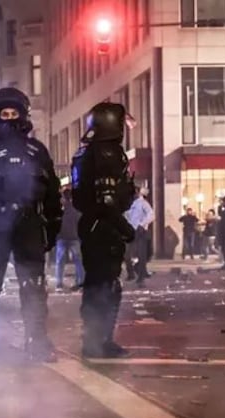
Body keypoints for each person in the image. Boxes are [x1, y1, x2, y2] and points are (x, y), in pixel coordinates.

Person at [0, 86, 62, 362]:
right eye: (3, 114)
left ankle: (36, 341)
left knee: (33, 284)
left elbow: (52, 191)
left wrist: (52, 225)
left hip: (28, 222)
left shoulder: (36, 150)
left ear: (23, 115)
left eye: (13, 113)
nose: (8, 119)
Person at [71, 101, 137, 359]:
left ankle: (96, 339)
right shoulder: (106, 153)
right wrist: (125, 228)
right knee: (104, 286)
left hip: (95, 224)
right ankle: (99, 341)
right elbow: (106, 198)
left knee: (98, 284)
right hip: (104, 225)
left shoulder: (87, 151)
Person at [55, 189, 84, 291]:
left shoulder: (61, 209)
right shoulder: (76, 209)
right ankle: (80, 283)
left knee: (60, 262)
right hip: (74, 237)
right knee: (78, 262)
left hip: (62, 237)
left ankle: (59, 284)